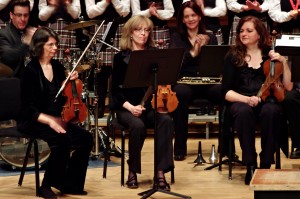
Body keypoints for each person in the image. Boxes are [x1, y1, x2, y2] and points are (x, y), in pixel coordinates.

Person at [17, 27, 94, 199]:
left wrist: (70, 81)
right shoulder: (30, 71)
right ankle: (45, 186)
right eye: (50, 44)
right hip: (34, 119)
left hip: (55, 118)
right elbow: (28, 108)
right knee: (62, 140)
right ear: (39, 46)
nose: (55, 48)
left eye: (56, 44)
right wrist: (51, 121)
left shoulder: (58, 67)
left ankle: (69, 183)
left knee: (86, 139)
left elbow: (61, 98)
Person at [222, 16, 293, 185]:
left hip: (266, 101)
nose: (243, 34)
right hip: (241, 101)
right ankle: (250, 163)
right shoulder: (232, 56)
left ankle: (266, 163)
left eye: (249, 30)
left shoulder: (270, 54)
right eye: (241, 31)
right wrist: (246, 99)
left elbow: (288, 86)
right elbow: (226, 92)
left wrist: (284, 61)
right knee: (243, 112)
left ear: (259, 34)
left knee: (272, 111)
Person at [111, 15, 174, 190]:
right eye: (139, 30)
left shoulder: (155, 55)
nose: (143, 34)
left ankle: (160, 172)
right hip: (126, 107)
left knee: (166, 120)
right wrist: (131, 107)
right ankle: (132, 170)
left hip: (148, 106)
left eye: (147, 30)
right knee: (137, 126)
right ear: (130, 33)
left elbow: (164, 82)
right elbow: (114, 91)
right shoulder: (120, 58)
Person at [170, 0, 218, 161]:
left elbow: (215, 63)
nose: (190, 19)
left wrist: (206, 48)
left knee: (224, 92)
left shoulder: (210, 36)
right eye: (186, 16)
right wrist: (194, 51)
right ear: (182, 20)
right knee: (180, 93)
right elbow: (177, 63)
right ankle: (180, 148)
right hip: (185, 81)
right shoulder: (176, 37)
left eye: (193, 15)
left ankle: (227, 148)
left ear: (199, 16)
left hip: (207, 81)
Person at [84, 0, 131, 118]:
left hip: (119, 27)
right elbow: (90, 13)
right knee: (101, 71)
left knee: (119, 71)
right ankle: (99, 107)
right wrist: (105, 2)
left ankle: (117, 107)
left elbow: (125, 11)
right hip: (99, 26)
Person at [268, 0, 300, 159]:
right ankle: (298, 145)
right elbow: (273, 13)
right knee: (290, 98)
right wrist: (289, 15)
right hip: (288, 36)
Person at [0, 0, 36, 78]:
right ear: (11, 15)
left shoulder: (32, 31)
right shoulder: (3, 34)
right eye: (19, 15)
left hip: (33, 82)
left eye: (26, 15)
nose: (23, 19)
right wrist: (26, 43)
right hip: (13, 83)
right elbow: (8, 57)